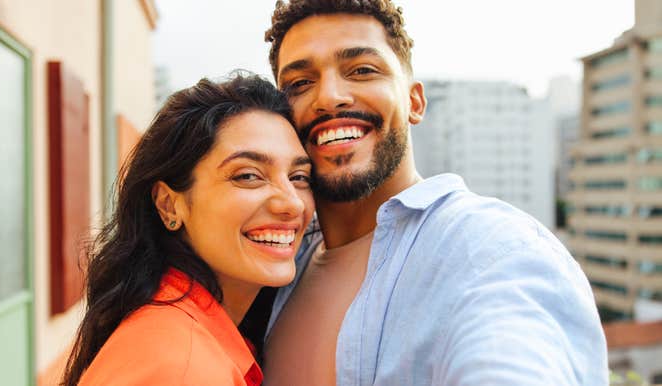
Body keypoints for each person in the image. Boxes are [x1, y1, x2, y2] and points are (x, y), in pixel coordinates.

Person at [260, 1, 608, 385]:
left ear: (414, 101)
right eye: (300, 83)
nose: (329, 97)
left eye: (361, 70)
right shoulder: (274, 265)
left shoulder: (491, 250)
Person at [61, 74, 315, 386]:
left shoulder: (186, 332)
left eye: (300, 176)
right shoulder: (182, 367)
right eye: (248, 176)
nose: (293, 204)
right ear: (169, 205)